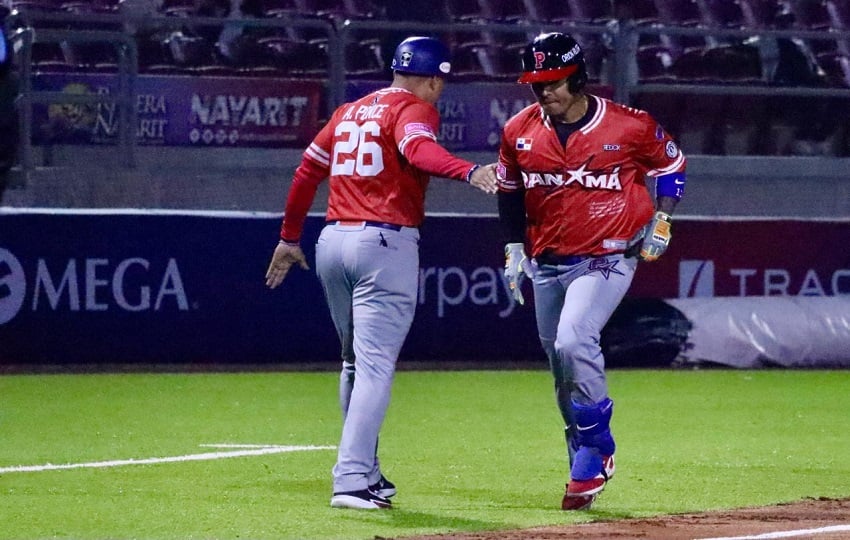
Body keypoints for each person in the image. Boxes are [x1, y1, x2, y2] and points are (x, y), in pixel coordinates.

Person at [264, 36, 498, 510]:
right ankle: (350, 479)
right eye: (441, 84)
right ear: (433, 79)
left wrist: (290, 238)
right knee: (373, 367)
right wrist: (468, 172)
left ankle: (367, 472)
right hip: (384, 243)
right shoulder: (414, 109)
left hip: (332, 241)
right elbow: (418, 152)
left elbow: (305, 174)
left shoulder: (349, 110)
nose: (440, 92)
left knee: (353, 362)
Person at [497, 32, 686, 511]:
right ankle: (582, 458)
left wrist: (662, 216)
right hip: (547, 262)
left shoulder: (628, 125)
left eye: (555, 83)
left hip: (608, 255)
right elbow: (510, 190)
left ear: (578, 77)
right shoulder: (519, 129)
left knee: (573, 340)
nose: (545, 93)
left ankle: (599, 448)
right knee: (562, 367)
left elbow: (672, 163)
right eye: (537, 84)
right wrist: (514, 247)